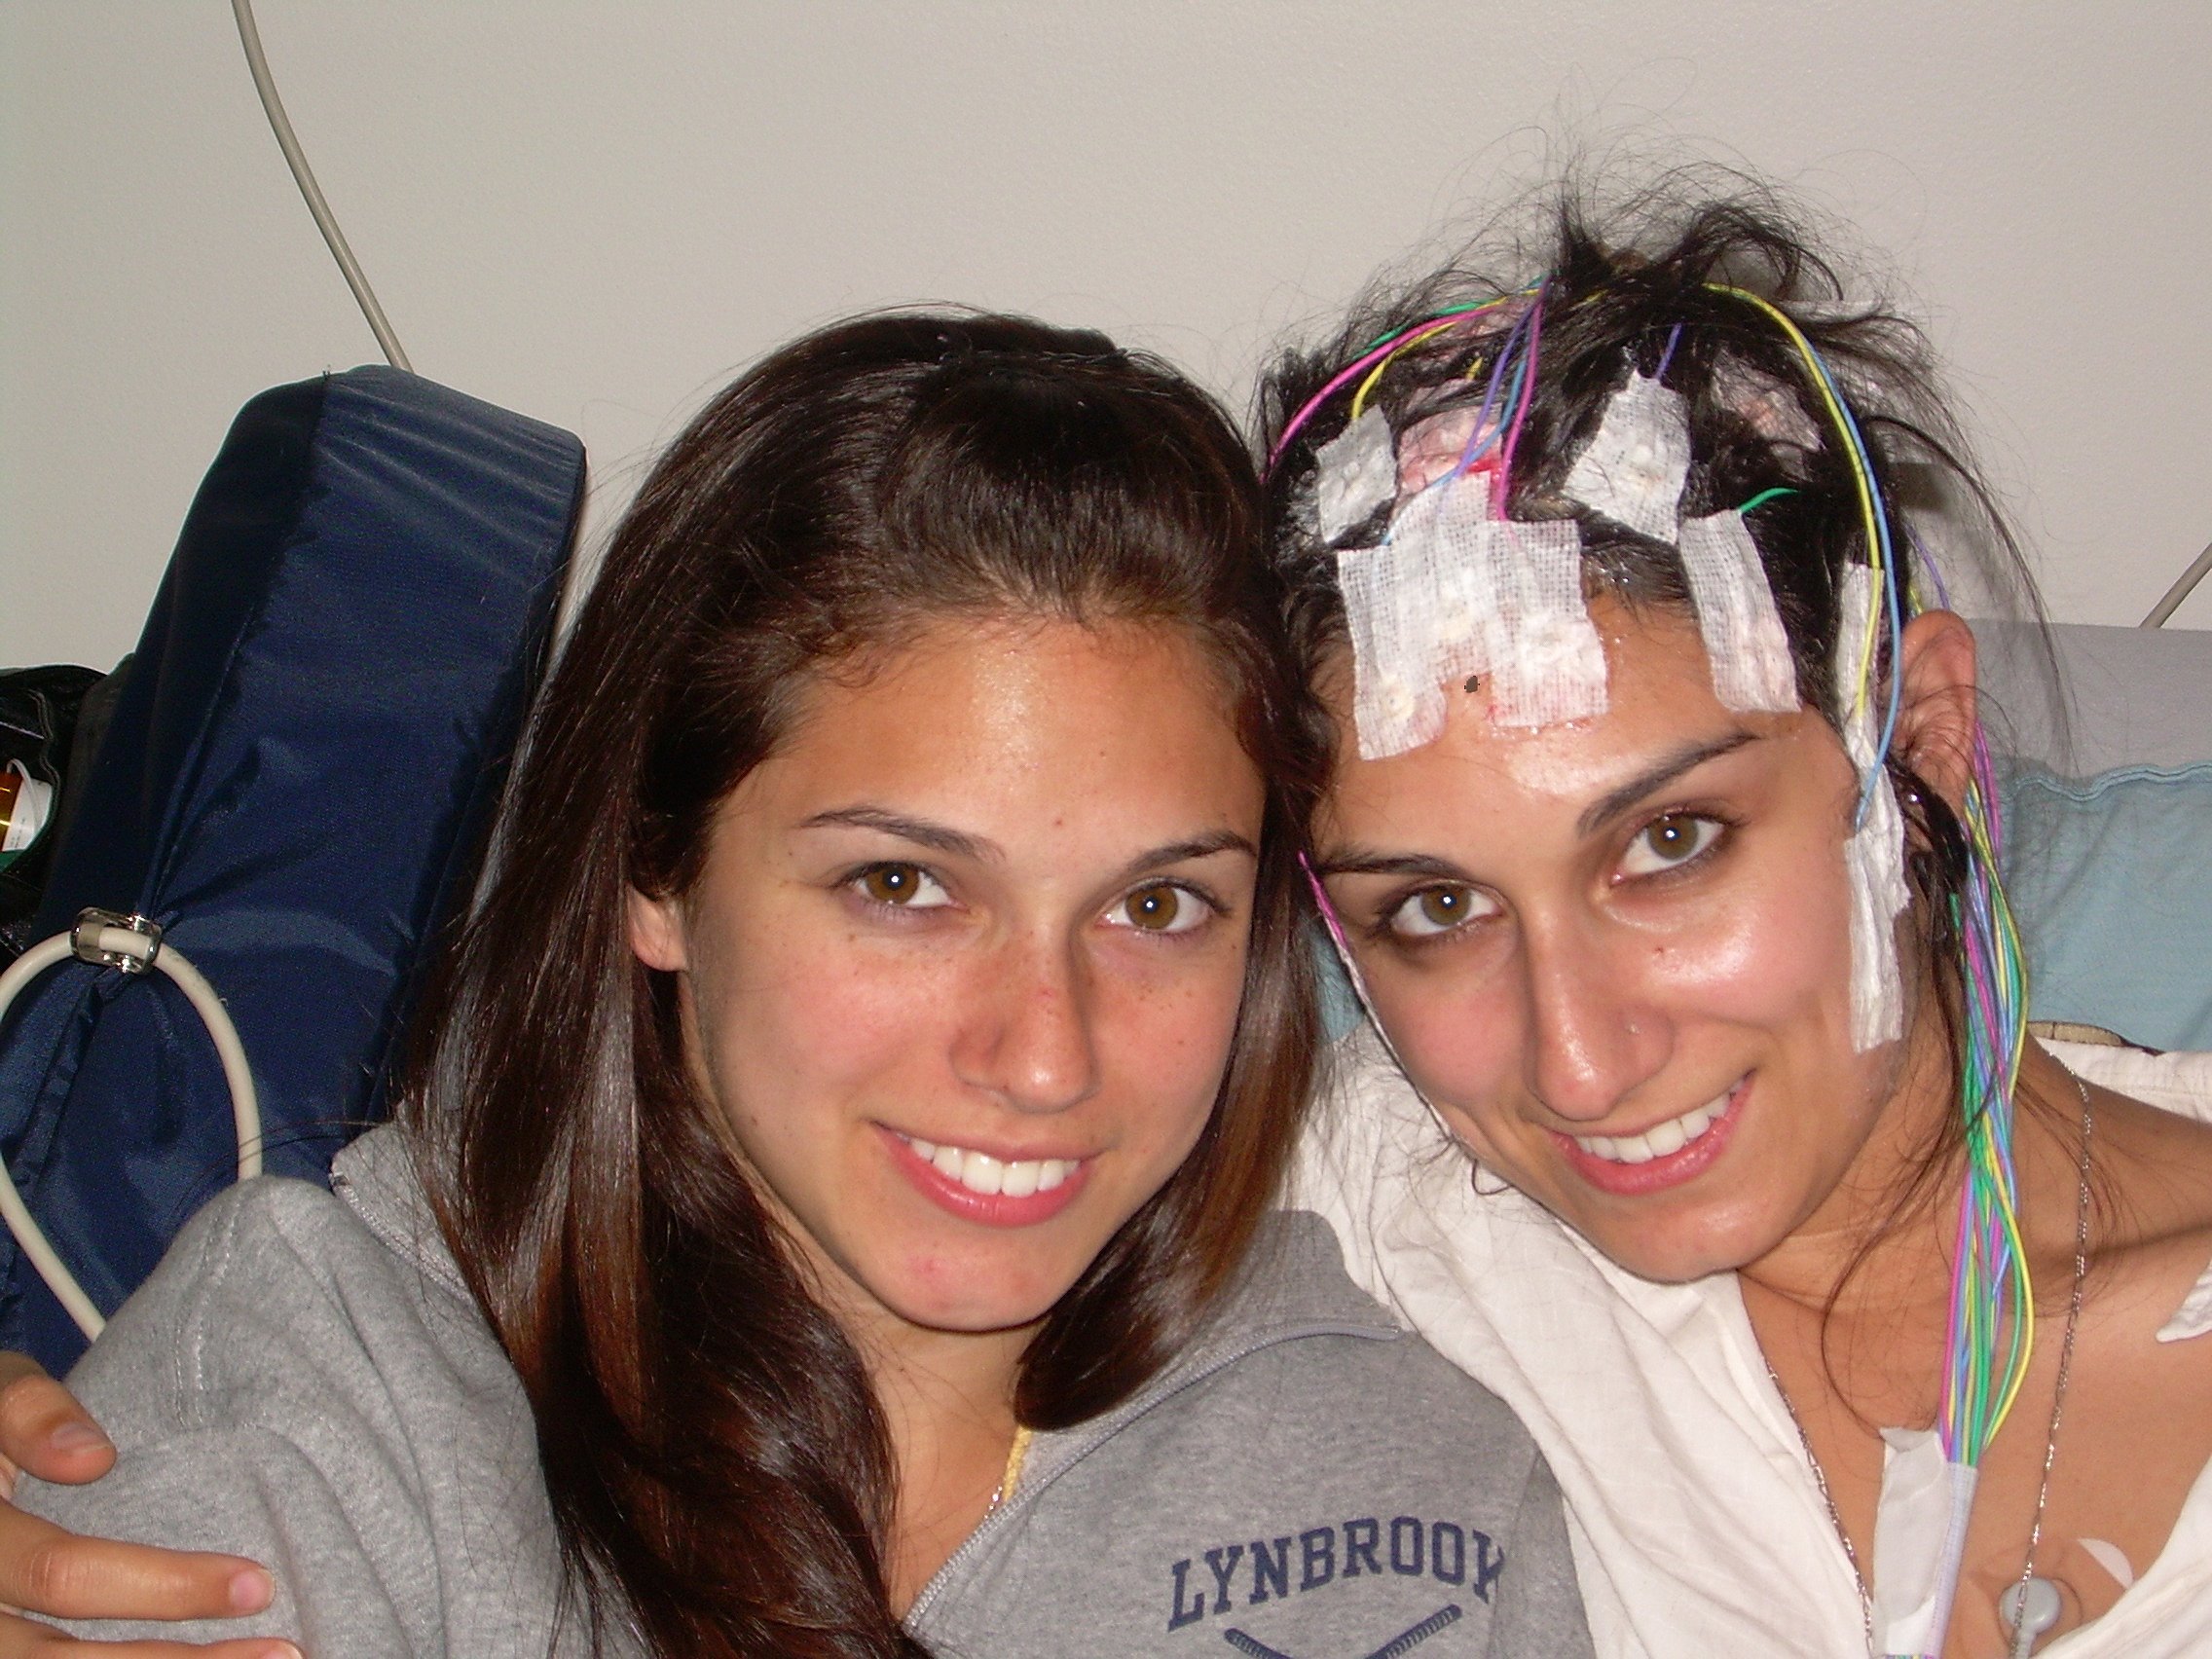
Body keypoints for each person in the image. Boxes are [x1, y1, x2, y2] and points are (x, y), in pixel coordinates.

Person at [0, 313, 1589, 1657]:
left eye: (1158, 905)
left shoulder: (1421, 1495)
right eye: (902, 887)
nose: (1046, 1057)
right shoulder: (329, 1392)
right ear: (655, 871)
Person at [1262, 191, 2212, 1656]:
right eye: (1438, 908)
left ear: (1923, 744)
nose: (1580, 1066)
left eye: (1670, 843)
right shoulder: (1376, 1205)